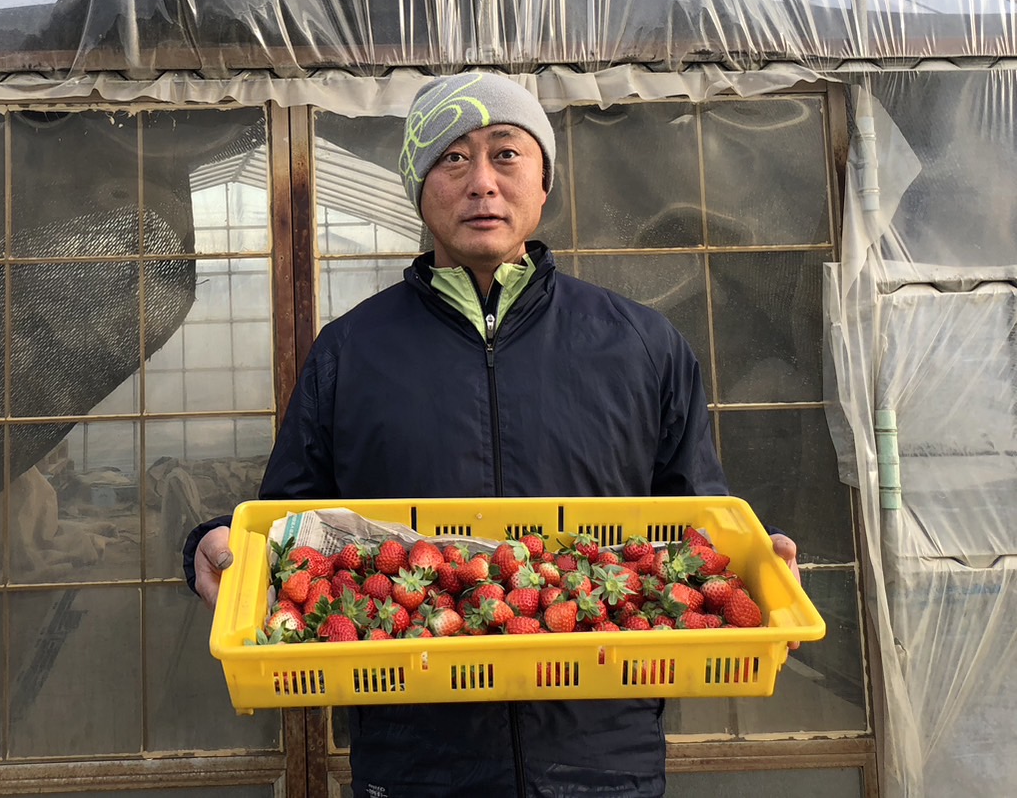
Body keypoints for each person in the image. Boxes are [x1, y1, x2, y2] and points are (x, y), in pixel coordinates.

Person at [184, 70, 800, 798]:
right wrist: (211, 540)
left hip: (600, 755)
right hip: (416, 756)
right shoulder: (350, 353)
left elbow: (694, 517)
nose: (480, 182)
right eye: (452, 157)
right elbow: (291, 525)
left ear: (543, 182)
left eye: (505, 154)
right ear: (419, 190)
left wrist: (753, 568)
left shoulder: (641, 344)